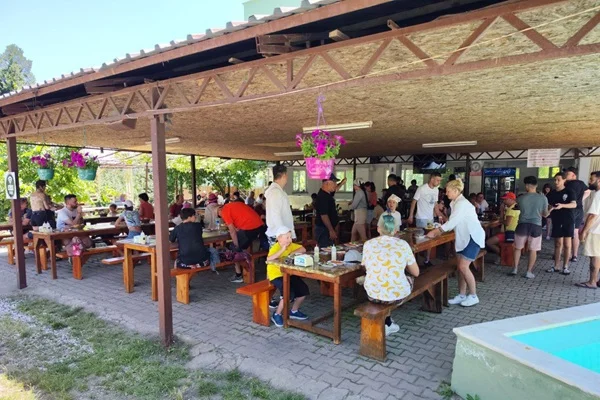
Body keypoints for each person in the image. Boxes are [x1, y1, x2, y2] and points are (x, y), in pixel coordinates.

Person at [427, 179, 484, 307]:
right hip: (463, 238)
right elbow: (452, 221)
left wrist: (436, 232)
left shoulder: (462, 203)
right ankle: (462, 295)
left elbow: (452, 223)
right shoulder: (455, 203)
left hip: (472, 237)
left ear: (456, 190)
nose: (446, 193)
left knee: (463, 267)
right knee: (460, 267)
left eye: (448, 191)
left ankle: (473, 295)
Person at [362, 214, 420, 335]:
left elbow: (366, 267)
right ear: (395, 230)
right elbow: (416, 272)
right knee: (405, 279)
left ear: (378, 228)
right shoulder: (403, 244)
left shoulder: (368, 244)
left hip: (372, 293)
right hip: (397, 295)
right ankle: (387, 323)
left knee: (381, 279)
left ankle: (387, 321)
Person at [267, 227, 309, 327]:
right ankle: (277, 314)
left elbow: (303, 249)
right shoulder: (276, 247)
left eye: (290, 237)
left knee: (303, 290)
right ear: (279, 238)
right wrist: (282, 250)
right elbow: (269, 259)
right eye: (287, 237)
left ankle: (294, 311)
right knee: (288, 293)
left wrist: (291, 253)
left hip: (288, 273)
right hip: (276, 275)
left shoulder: (290, 245)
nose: (290, 240)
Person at [512, 176, 549, 279]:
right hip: (536, 225)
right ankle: (528, 272)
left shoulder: (521, 198)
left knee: (518, 248)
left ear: (527, 186)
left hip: (522, 225)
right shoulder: (543, 198)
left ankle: (515, 269)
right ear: (536, 185)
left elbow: (516, 207)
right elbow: (545, 214)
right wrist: (550, 210)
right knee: (533, 249)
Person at [220, 201, 266, 283]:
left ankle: (240, 275)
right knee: (243, 245)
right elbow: (242, 218)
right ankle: (247, 265)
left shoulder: (224, 211)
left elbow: (232, 232)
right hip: (259, 225)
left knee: (233, 250)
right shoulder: (233, 205)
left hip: (250, 228)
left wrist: (236, 246)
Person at [408, 172, 443, 267]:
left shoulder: (436, 190)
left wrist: (439, 216)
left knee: (429, 239)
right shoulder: (422, 188)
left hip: (430, 219)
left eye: (440, 180)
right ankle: (417, 262)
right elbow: (414, 202)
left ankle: (427, 260)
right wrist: (411, 215)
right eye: (437, 180)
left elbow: (435, 204)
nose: (439, 182)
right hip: (421, 217)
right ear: (432, 179)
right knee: (420, 240)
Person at [169, 208, 219, 272]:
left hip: (185, 263)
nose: (195, 217)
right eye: (194, 215)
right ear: (189, 217)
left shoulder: (177, 228)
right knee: (212, 250)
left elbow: (171, 240)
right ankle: (214, 268)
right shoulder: (198, 226)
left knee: (177, 260)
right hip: (202, 262)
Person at [546, 172, 577, 274]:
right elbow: (548, 205)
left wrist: (562, 205)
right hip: (557, 220)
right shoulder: (551, 193)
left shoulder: (569, 191)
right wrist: (549, 209)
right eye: (555, 180)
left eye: (558, 180)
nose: (556, 182)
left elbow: (574, 204)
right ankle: (556, 266)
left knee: (567, 244)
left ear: (564, 180)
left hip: (568, 220)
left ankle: (566, 266)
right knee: (558, 243)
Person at [576, 171, 600, 289]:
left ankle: (592, 282)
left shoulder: (598, 195)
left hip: (595, 231)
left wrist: (584, 231)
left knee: (594, 256)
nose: (589, 182)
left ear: (599, 181)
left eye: (591, 179)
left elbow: (593, 215)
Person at [265, 165, 296, 247]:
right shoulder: (275, 192)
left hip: (282, 233)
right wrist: (283, 234)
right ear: (284, 175)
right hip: (279, 235)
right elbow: (275, 215)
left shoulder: (279, 191)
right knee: (278, 256)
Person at [565, 166, 591, 263]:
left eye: (567, 174)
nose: (566, 176)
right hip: (579, 210)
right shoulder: (581, 183)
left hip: (570, 210)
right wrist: (580, 200)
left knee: (567, 232)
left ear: (573, 175)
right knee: (575, 232)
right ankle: (574, 255)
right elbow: (588, 191)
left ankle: (567, 254)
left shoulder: (567, 184)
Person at [486, 192, 520, 261]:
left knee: (489, 242)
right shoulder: (516, 207)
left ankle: (503, 256)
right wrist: (502, 211)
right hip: (515, 232)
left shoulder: (511, 209)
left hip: (509, 233)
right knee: (495, 233)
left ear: (511, 199)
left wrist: (499, 221)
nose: (503, 201)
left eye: (505, 199)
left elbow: (507, 223)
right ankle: (503, 256)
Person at [315, 174, 340, 248]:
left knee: (330, 250)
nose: (335, 185)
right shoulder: (323, 196)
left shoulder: (328, 195)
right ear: (326, 183)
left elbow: (336, 189)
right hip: (324, 230)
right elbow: (324, 215)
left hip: (327, 229)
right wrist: (331, 230)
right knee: (325, 251)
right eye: (334, 182)